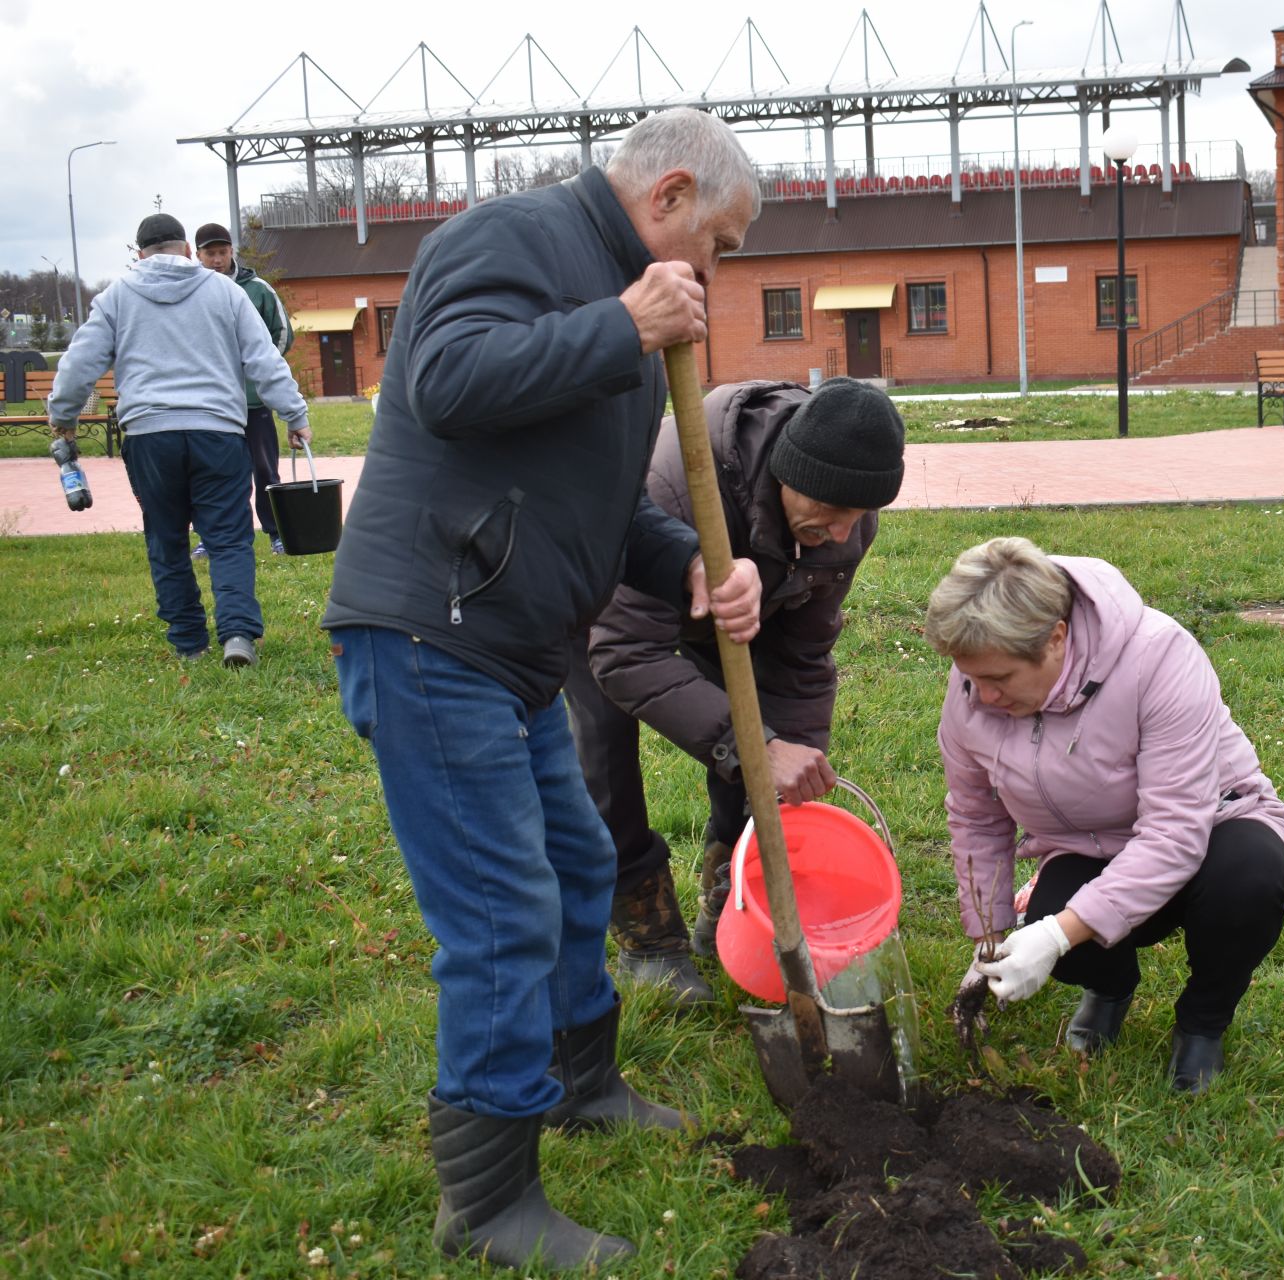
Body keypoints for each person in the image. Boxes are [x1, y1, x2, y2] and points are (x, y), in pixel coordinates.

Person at [319, 109, 763, 1270]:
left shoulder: (626, 306)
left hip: (508, 643)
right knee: (498, 908)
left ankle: (579, 1079)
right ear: (669, 195)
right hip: (431, 629)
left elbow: (602, 506)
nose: (719, 271)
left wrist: (692, 573)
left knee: (578, 865)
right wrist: (619, 324)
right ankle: (487, 1198)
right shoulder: (511, 238)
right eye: (720, 241)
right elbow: (448, 378)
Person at [574, 376, 907, 1004]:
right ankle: (648, 932)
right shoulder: (677, 485)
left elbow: (802, 660)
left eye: (858, 517)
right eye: (832, 514)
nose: (843, 534)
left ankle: (732, 889)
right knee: (604, 735)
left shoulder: (844, 524)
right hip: (601, 590)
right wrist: (756, 742)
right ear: (788, 474)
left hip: (743, 593)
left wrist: (785, 766)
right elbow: (621, 653)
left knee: (765, 733)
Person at [926, 537, 1284, 1094]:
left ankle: (1203, 1021)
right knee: (1056, 919)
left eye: (999, 680)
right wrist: (991, 939)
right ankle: (1110, 988)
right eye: (971, 678)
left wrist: (1053, 937)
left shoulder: (1160, 658)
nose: (982, 696)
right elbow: (978, 819)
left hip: (1213, 830)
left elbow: (1175, 833)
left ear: (1055, 639)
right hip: (1086, 846)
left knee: (1249, 879)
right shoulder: (974, 688)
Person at [49, 212, 309, 668]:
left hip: (150, 436)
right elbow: (263, 358)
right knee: (229, 538)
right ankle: (238, 635)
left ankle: (189, 643)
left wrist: (63, 416)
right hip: (219, 431)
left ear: (138, 254)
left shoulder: (116, 297)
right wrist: (294, 414)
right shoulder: (225, 291)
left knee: (167, 539)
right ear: (188, 249)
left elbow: (78, 364)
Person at [192, 223, 293, 556]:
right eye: (210, 254)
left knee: (265, 470)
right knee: (214, 474)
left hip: (254, 402)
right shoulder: (191, 291)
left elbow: (281, 334)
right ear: (198, 255)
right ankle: (212, 537)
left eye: (223, 252)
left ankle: (277, 533)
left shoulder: (258, 289)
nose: (218, 260)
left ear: (232, 251)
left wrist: (258, 371)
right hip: (212, 404)